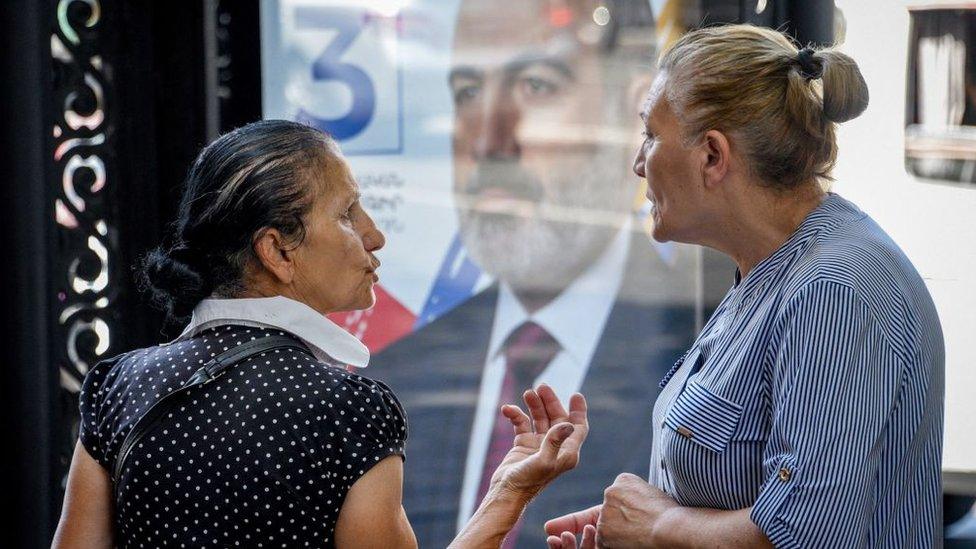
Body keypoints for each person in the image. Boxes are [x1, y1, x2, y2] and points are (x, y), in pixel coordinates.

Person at [50, 120, 590, 548]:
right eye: (349, 214)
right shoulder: (349, 412)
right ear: (277, 250)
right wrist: (510, 492)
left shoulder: (118, 387)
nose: (374, 235)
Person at [544, 24, 945, 548]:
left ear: (712, 156)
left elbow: (803, 533)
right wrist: (635, 530)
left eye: (650, 136)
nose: (638, 163)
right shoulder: (772, 270)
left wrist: (658, 528)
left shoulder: (834, 290)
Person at [367, 1, 699, 546]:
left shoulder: (712, 340)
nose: (489, 140)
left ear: (634, 110)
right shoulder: (396, 384)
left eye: (537, 86)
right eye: (468, 92)